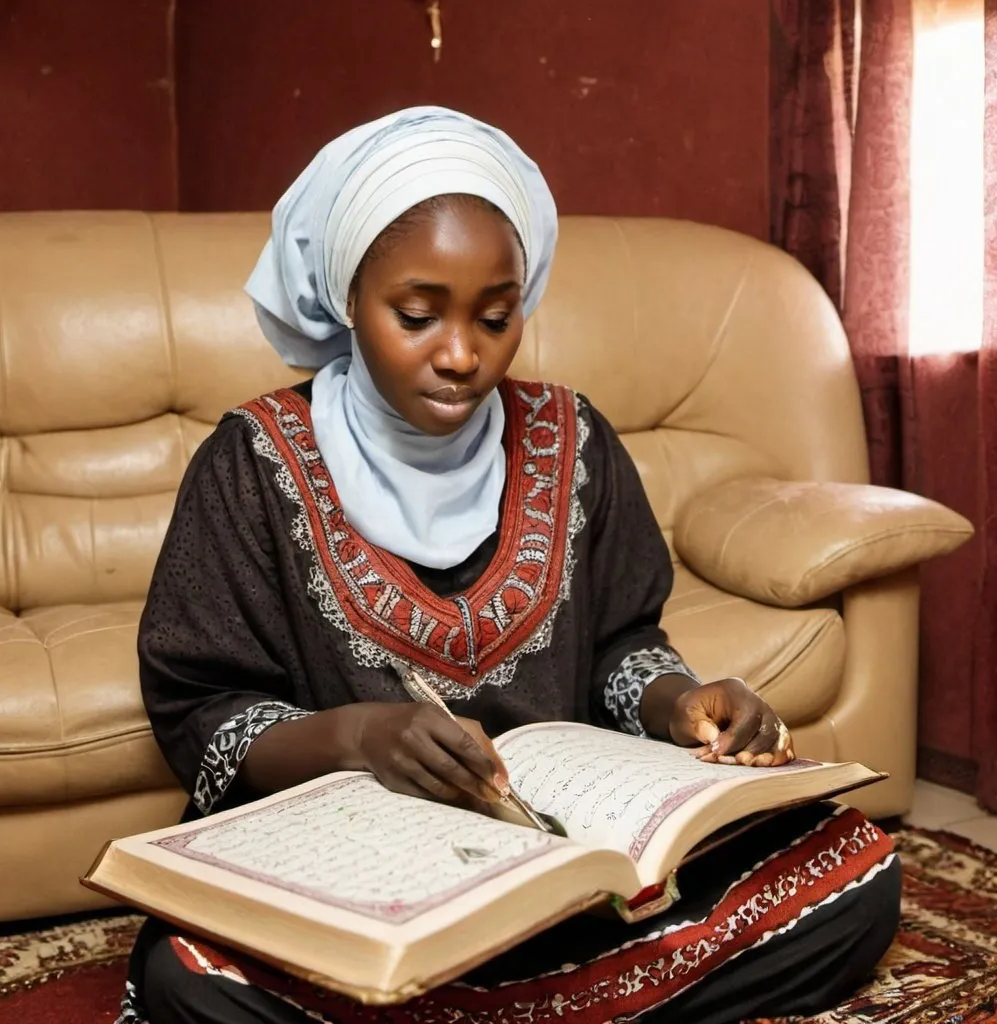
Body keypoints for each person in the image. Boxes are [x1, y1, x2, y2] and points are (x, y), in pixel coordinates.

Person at [117, 107, 900, 1024]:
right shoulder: (252, 462)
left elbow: (618, 642)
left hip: (562, 871)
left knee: (855, 870)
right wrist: (362, 738)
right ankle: (587, 1006)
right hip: (363, 878)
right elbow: (203, 710)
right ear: (344, 297)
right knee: (190, 971)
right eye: (416, 315)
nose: (461, 355)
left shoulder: (575, 439)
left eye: (496, 317)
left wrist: (679, 701)